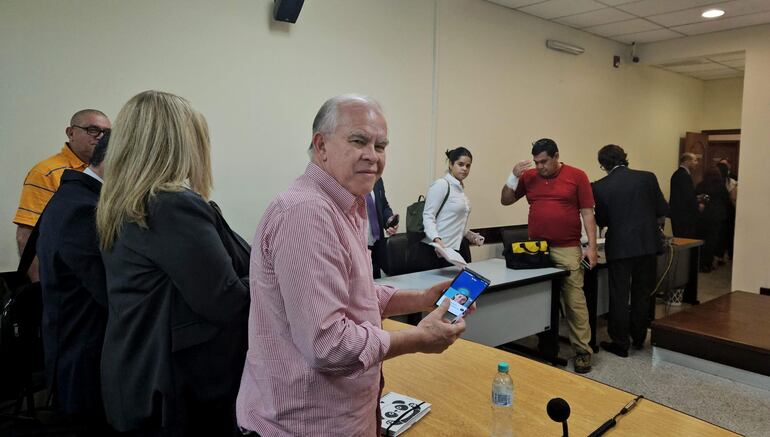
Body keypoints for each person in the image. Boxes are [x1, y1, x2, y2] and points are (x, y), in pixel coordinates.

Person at [236, 94, 468, 436]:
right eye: (359, 141)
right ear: (321, 145)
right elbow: (327, 344)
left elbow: (350, 294)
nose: (373, 156)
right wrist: (418, 338)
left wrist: (422, 299)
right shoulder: (306, 213)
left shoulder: (347, 205)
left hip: (343, 417)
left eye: (381, 145)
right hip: (304, 426)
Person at [96, 91, 250, 436]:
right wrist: (277, 276)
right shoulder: (170, 205)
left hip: (135, 370)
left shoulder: (122, 203)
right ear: (178, 143)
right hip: (176, 387)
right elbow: (226, 301)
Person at [36, 133, 113, 435]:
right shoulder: (82, 207)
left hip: (82, 346)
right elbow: (105, 289)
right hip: (83, 356)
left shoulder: (76, 197)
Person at [500, 138, 596, 374]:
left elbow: (587, 213)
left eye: (544, 161)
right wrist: (513, 176)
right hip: (537, 248)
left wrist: (591, 247)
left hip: (567, 247)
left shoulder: (577, 176)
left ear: (556, 157)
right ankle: (545, 342)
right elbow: (506, 200)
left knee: (574, 300)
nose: (540, 167)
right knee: (539, 296)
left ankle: (583, 351)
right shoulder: (529, 177)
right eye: (536, 162)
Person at [13, 109, 111, 281]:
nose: (100, 136)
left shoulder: (109, 172)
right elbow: (26, 234)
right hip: (61, 280)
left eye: (107, 132)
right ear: (70, 132)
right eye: (93, 130)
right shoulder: (46, 172)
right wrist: (40, 285)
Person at [591, 145, 669, 357]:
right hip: (647, 244)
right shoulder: (648, 178)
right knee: (642, 293)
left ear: (603, 165)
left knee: (619, 294)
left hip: (620, 246)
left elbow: (602, 220)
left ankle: (620, 343)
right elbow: (662, 209)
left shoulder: (599, 186)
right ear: (625, 158)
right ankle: (639, 337)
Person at [419, 147, 484, 270]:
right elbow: (428, 215)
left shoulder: (459, 189)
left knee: (463, 287)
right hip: (439, 250)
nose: (465, 168)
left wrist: (470, 235)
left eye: (468, 166)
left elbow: (453, 222)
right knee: (443, 288)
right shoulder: (441, 184)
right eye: (460, 164)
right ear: (450, 164)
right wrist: (436, 239)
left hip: (457, 249)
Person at [695, 168, 729, 272]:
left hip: (703, 215)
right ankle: (707, 264)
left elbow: (695, 197)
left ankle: (699, 264)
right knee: (712, 241)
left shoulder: (701, 185)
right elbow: (726, 199)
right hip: (716, 216)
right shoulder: (721, 186)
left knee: (701, 239)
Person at [367, 177, 399, 278]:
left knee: (376, 285)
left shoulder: (377, 179)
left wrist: (389, 221)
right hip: (359, 245)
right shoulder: (348, 179)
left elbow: (384, 205)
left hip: (376, 244)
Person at [669, 153, 700, 238]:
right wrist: (698, 205)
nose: (696, 163)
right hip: (684, 217)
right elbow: (688, 197)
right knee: (685, 241)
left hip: (678, 215)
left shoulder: (678, 174)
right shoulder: (683, 175)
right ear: (687, 161)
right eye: (695, 160)